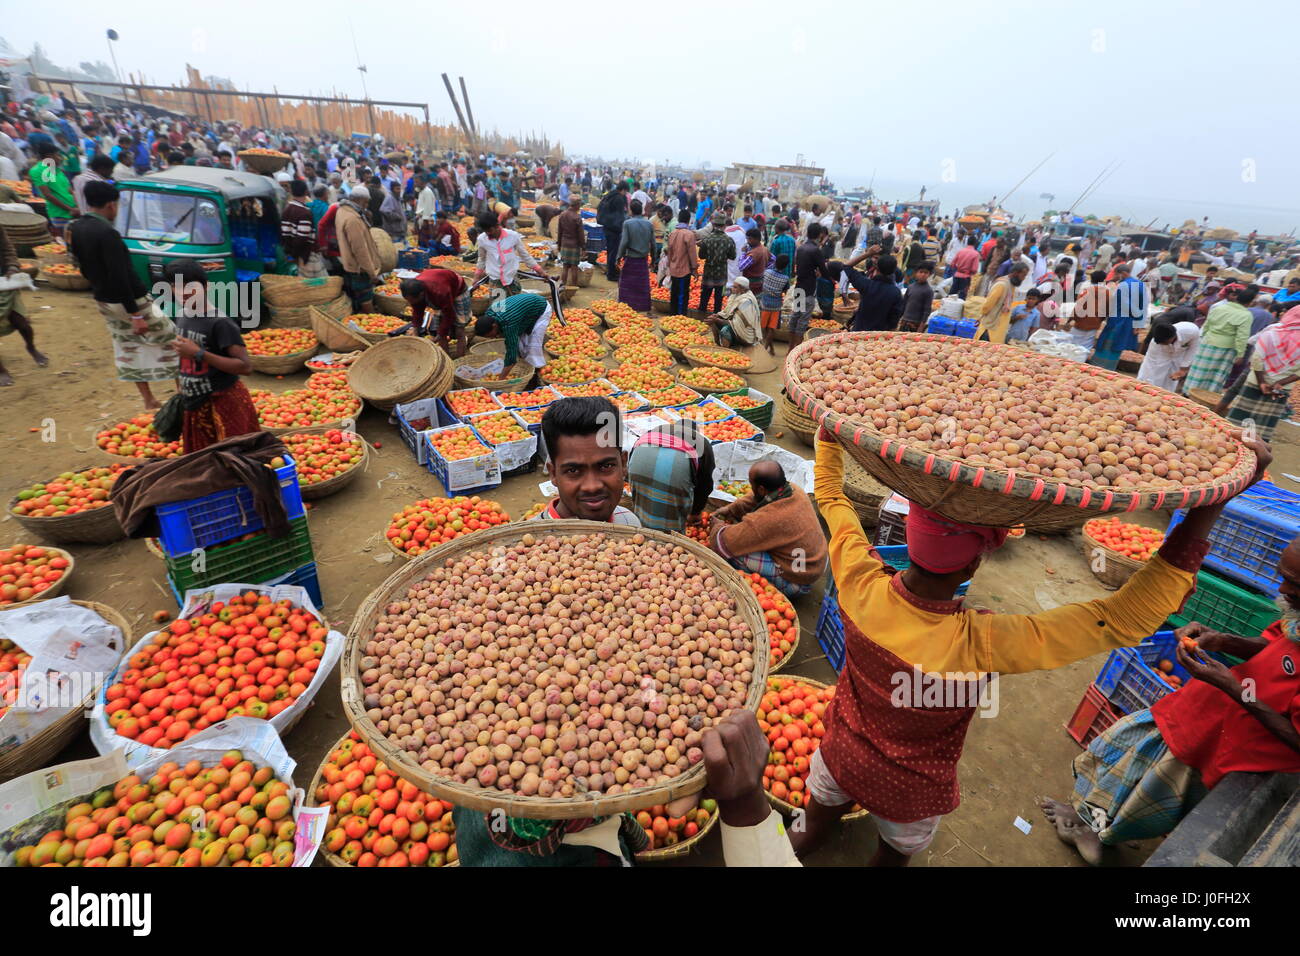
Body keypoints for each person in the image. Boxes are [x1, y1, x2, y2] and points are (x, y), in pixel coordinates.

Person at [796, 426, 1271, 866]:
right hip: (911, 790)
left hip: (841, 750)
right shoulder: (985, 642)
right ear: (971, 569)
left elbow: (834, 501)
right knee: (891, 857)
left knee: (811, 824)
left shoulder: (859, 583)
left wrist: (831, 435)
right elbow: (1124, 618)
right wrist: (1210, 504)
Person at [1042, 519, 1300, 866]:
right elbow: (1272, 644)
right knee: (1134, 765)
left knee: (1151, 788)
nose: (1282, 588)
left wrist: (1236, 690)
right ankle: (1091, 821)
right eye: (1283, 575)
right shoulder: (1296, 616)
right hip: (1204, 712)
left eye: (1294, 582)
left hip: (1233, 744)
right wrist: (1222, 640)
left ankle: (1093, 833)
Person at [68, 181, 177, 410]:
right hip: (131, 301)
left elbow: (80, 265)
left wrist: (99, 287)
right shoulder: (108, 233)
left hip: (104, 300)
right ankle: (183, 391)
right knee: (172, 339)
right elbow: (120, 276)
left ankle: (149, 399)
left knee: (127, 345)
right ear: (110, 205)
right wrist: (135, 313)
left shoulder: (76, 227)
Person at [159, 260, 257, 454]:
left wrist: (199, 353)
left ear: (205, 287)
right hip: (195, 404)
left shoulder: (221, 323)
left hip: (222, 404)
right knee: (202, 463)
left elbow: (245, 367)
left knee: (232, 461)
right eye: (176, 287)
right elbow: (182, 357)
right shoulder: (182, 315)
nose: (183, 293)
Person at [708, 461, 827, 597]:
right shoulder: (793, 490)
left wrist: (717, 527)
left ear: (762, 490)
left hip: (797, 580)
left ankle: (782, 590)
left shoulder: (766, 519)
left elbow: (724, 542)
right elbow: (755, 499)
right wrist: (731, 508)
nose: (751, 490)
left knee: (734, 552)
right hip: (816, 564)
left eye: (752, 486)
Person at [535, 397, 640, 525]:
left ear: (623, 464)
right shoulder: (524, 540)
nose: (592, 486)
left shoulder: (629, 522)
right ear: (553, 473)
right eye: (573, 470)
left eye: (606, 466)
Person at [1222, 306, 1300, 441]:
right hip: (1280, 388)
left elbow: (1257, 359)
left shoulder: (1272, 331)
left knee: (1240, 417)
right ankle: (1255, 451)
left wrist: (1262, 382)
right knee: (1264, 424)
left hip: (1255, 380)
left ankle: (1230, 442)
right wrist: (1279, 382)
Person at [626, 417, 715, 533]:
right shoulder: (701, 442)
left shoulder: (656, 430)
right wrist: (695, 512)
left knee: (643, 505)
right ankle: (670, 542)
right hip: (675, 464)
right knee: (673, 518)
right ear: (695, 432)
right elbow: (705, 485)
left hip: (639, 456)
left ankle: (640, 534)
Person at [0, 225, 47, 386]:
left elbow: (8, 250)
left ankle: (31, 347)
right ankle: (1, 370)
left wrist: (12, 267)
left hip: (3, 284)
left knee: (22, 323)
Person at [1183, 285, 1254, 392]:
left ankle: (1188, 391)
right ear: (1250, 302)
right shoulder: (1245, 315)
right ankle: (1206, 395)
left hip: (1207, 342)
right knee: (1216, 374)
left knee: (1199, 370)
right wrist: (1240, 354)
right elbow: (1242, 337)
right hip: (1225, 348)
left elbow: (1207, 325)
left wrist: (1202, 340)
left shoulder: (1219, 307)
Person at [401, 266, 471, 356]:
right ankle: (446, 359)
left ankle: (460, 358)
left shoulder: (439, 292)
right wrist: (415, 330)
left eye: (411, 301)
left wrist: (440, 333)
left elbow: (449, 314)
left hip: (458, 290)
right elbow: (417, 310)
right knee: (441, 332)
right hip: (440, 287)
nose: (410, 303)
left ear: (421, 294)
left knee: (459, 331)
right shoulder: (412, 290)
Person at [473, 290, 552, 370]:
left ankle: (536, 370)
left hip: (541, 307)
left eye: (491, 335)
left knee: (533, 345)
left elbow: (511, 353)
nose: (492, 338)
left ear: (494, 326)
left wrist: (501, 379)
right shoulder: (489, 314)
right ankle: (527, 366)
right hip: (525, 310)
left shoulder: (508, 323)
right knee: (522, 343)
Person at [473, 212, 544, 298]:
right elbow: (482, 259)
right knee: (499, 309)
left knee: (515, 308)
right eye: (486, 231)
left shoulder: (513, 236)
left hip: (512, 279)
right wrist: (476, 277)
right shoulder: (482, 239)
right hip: (495, 281)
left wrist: (539, 270)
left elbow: (524, 255)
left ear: (497, 225)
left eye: (490, 230)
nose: (488, 233)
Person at [336, 185, 382, 312]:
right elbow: (360, 250)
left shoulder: (342, 211)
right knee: (365, 297)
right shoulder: (353, 220)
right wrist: (372, 272)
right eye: (366, 202)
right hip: (359, 268)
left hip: (348, 263)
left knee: (356, 296)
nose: (367, 205)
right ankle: (370, 319)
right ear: (360, 200)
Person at [837, 254, 903, 332]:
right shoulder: (896, 293)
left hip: (859, 332)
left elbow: (847, 267)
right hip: (879, 337)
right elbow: (895, 318)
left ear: (877, 267)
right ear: (894, 270)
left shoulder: (866, 284)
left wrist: (868, 253)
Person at [27, 144, 77, 239]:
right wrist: (70, 209)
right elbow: (47, 195)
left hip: (72, 210)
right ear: (49, 157)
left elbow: (69, 190)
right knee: (67, 242)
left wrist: (77, 206)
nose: (61, 158)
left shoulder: (56, 169)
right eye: (58, 155)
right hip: (60, 212)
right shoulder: (38, 170)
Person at [1136, 319, 1200, 393]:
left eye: (1164, 342)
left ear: (1172, 337)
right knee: (1154, 373)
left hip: (1179, 355)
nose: (1163, 343)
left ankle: (1166, 394)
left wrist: (1184, 368)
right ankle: (1148, 390)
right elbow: (1150, 365)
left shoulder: (1191, 331)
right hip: (1161, 354)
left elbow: (1193, 348)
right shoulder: (1156, 344)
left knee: (1170, 380)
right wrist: (1148, 382)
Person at [615, 199, 655, 311]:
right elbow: (653, 244)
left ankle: (626, 307)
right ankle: (642, 307)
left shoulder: (628, 223)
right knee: (641, 286)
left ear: (631, 210)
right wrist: (654, 259)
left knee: (627, 285)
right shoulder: (648, 224)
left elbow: (624, 242)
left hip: (631, 259)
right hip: (643, 260)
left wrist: (619, 256)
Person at [975, 263, 1028, 344]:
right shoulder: (1001, 285)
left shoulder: (1011, 285)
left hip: (998, 328)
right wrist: (981, 316)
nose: (1024, 278)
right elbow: (987, 305)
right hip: (990, 327)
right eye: (1023, 275)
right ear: (1016, 273)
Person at [281, 180, 324, 277]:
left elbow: (284, 234)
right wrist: (295, 255)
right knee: (317, 285)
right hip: (306, 255)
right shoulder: (304, 213)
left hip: (296, 254)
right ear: (306, 192)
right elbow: (302, 238)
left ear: (291, 192)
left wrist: (290, 253)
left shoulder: (287, 210)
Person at [697, 214, 737, 315]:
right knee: (718, 300)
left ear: (713, 224)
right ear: (724, 225)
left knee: (704, 298)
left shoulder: (706, 239)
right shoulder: (729, 240)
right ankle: (716, 321)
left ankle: (701, 319)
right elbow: (733, 256)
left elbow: (701, 256)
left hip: (708, 274)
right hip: (721, 275)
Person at [706, 276, 761, 348]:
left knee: (725, 331)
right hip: (736, 324)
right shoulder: (735, 296)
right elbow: (727, 313)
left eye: (735, 287)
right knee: (713, 319)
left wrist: (717, 319)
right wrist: (717, 316)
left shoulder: (746, 302)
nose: (732, 289)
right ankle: (718, 344)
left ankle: (726, 350)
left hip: (745, 332)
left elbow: (736, 324)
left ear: (743, 289)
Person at [666, 209, 699, 316]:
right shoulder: (689, 235)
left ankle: (672, 315)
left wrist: (669, 265)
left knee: (674, 293)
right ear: (689, 220)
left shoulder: (672, 233)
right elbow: (692, 254)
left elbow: (669, 252)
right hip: (684, 270)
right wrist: (694, 268)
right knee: (683, 294)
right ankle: (680, 316)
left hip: (673, 268)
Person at [758, 253, 791, 354]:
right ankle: (768, 348)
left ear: (775, 262)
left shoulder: (767, 272)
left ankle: (766, 348)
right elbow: (785, 290)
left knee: (764, 327)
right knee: (771, 328)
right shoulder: (785, 278)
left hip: (765, 303)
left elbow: (761, 283)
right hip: (776, 306)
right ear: (786, 266)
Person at [597, 182, 629, 281]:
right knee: (613, 252)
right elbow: (619, 216)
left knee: (610, 250)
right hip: (614, 229)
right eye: (626, 191)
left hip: (607, 227)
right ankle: (611, 274)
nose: (626, 193)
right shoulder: (618, 198)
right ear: (623, 189)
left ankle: (611, 271)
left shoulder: (610, 195)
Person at [556, 195, 586, 291]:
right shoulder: (577, 218)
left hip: (565, 243)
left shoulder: (562, 215)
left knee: (565, 266)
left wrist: (559, 244)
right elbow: (581, 235)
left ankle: (563, 285)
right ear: (577, 205)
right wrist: (583, 247)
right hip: (574, 245)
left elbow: (559, 231)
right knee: (574, 267)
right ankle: (573, 287)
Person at [898, 261, 934, 332]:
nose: (923, 274)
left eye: (926, 273)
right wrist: (899, 318)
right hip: (905, 321)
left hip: (916, 323)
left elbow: (927, 310)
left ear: (929, 275)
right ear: (916, 273)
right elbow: (904, 303)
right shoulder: (910, 287)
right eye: (921, 272)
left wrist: (921, 326)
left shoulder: (928, 290)